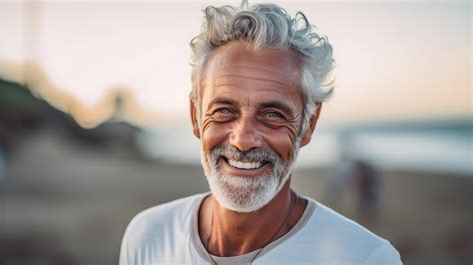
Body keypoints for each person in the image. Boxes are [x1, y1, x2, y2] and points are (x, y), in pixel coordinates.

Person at [119, 2, 402, 264]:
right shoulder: (146, 236)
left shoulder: (365, 258)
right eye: (223, 111)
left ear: (309, 124)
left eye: (272, 115)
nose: (242, 140)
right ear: (195, 116)